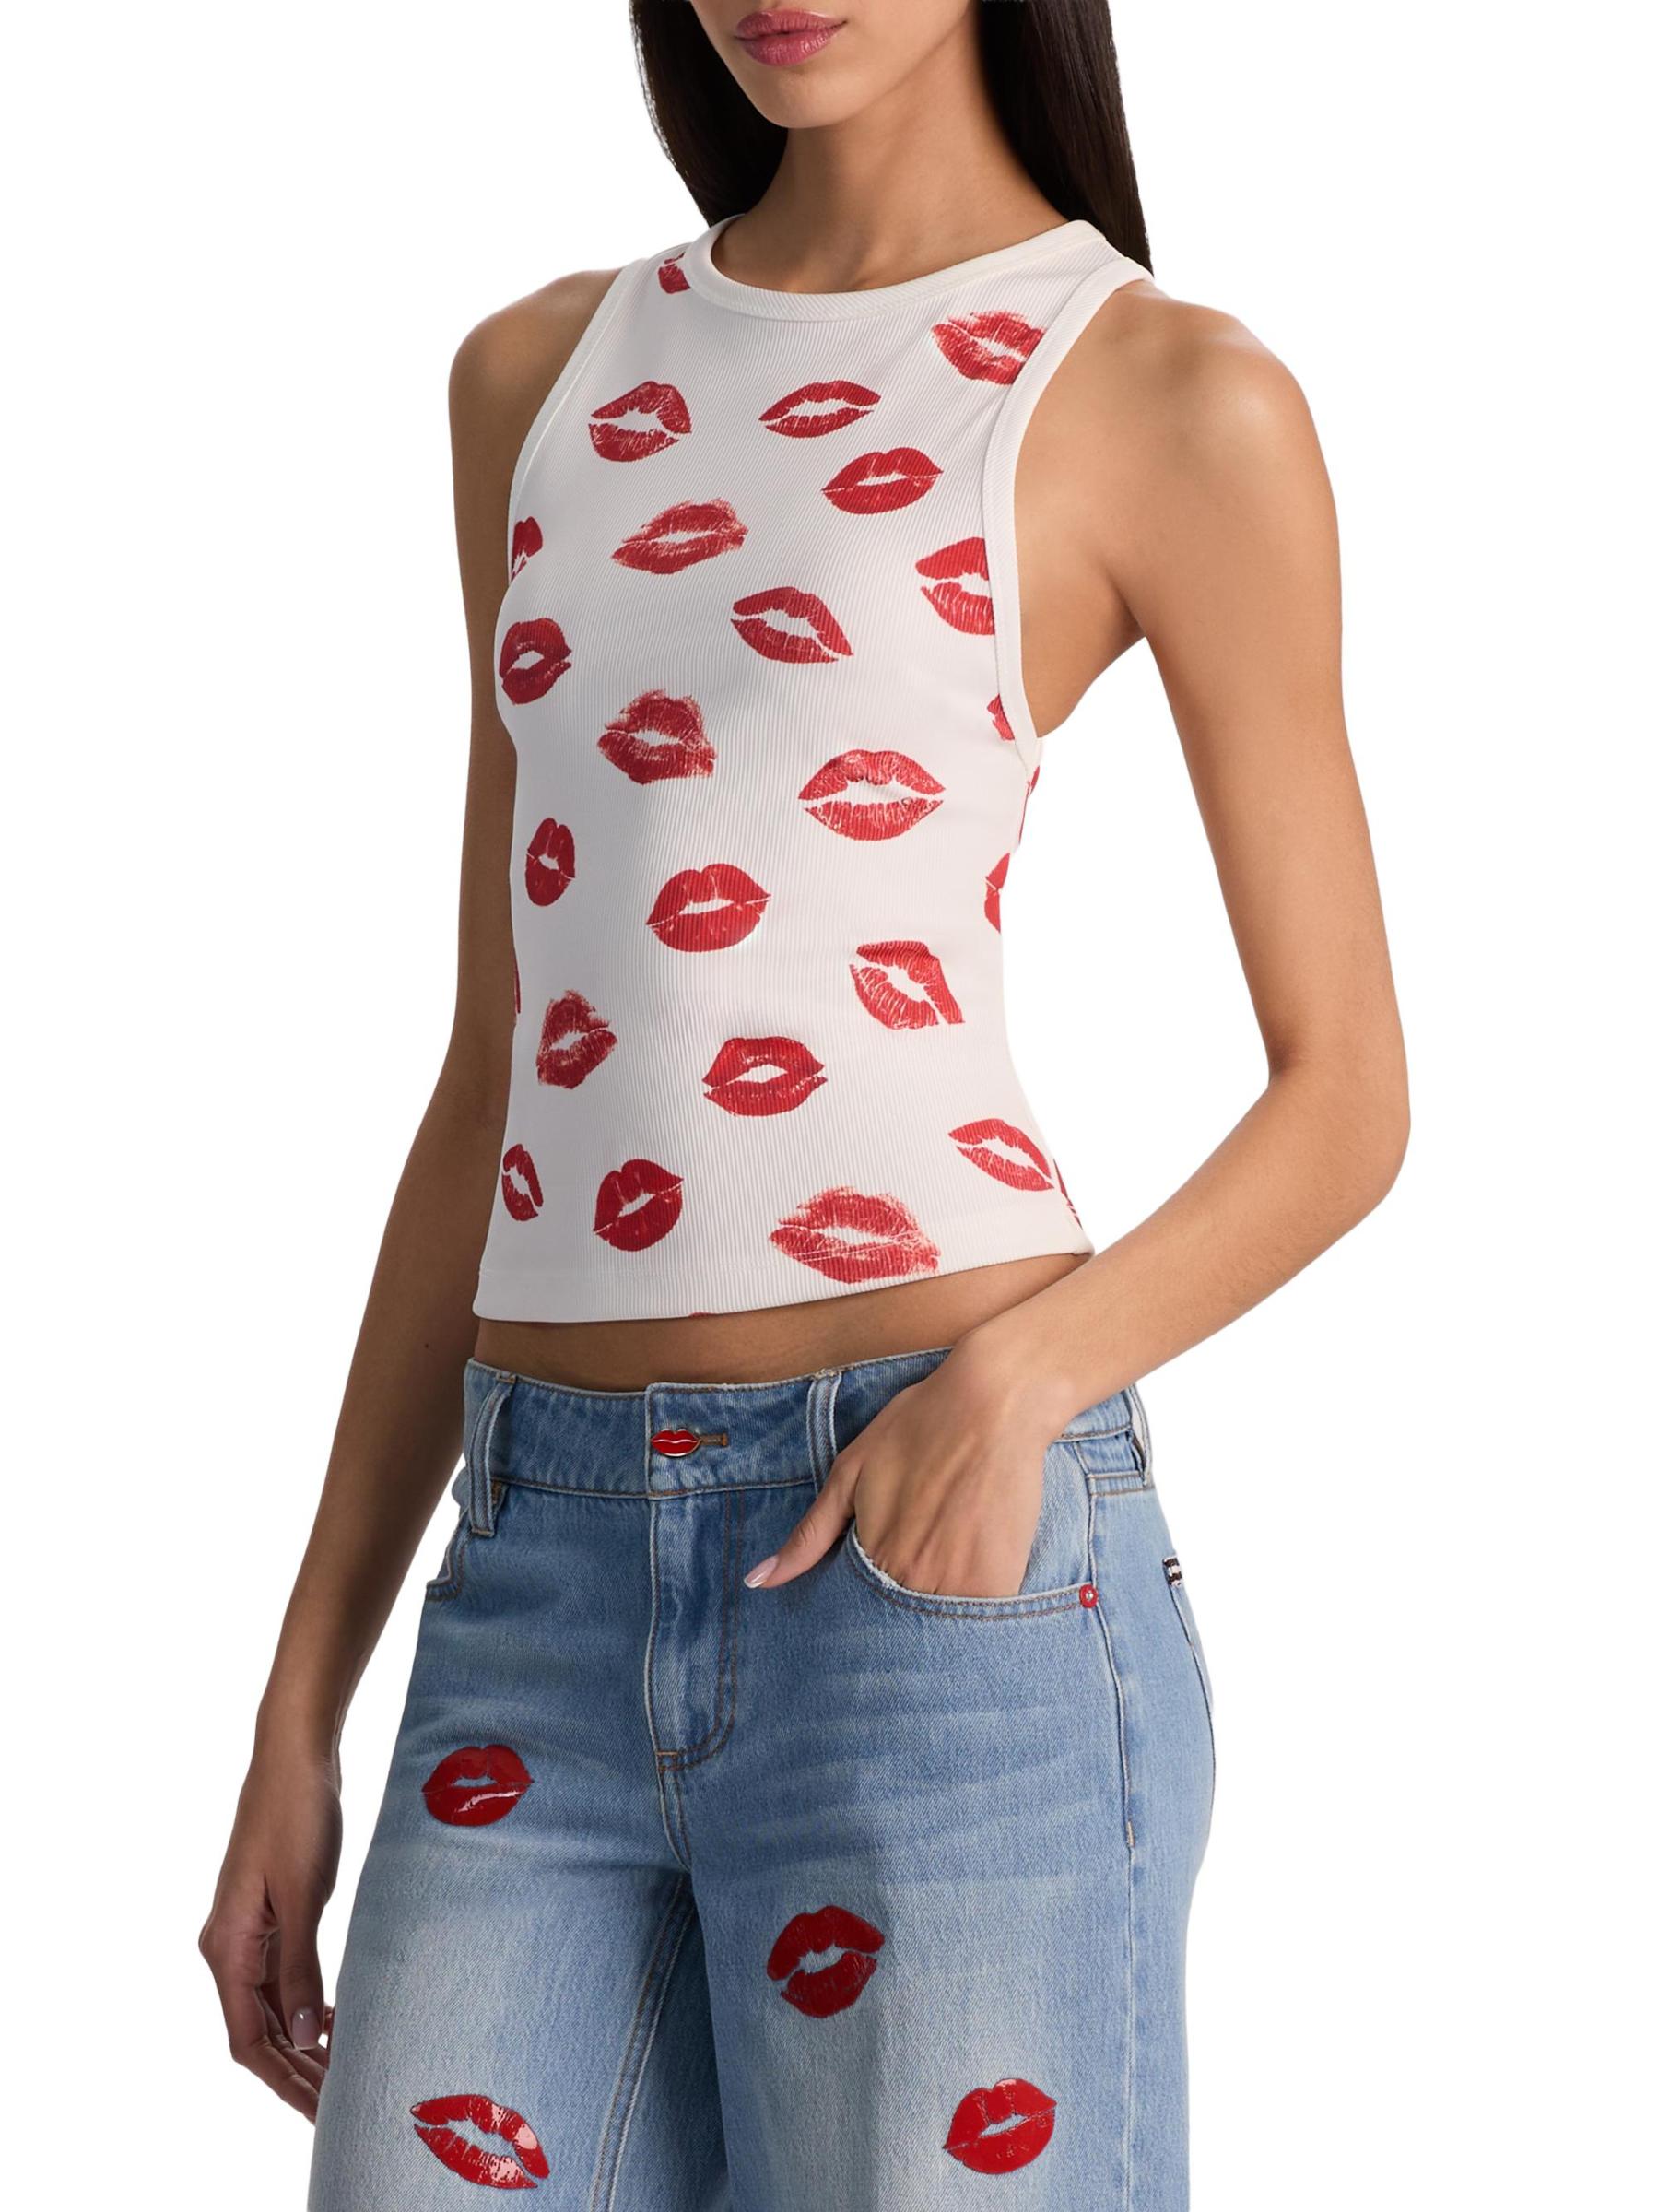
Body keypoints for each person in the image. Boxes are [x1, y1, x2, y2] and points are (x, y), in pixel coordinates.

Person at [200, 5, 1408, 2205]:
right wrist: (304, 1695)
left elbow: (1348, 1100)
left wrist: (1018, 1385)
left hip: (933, 1574)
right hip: (537, 1574)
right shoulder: (536, 379)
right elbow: (504, 1063)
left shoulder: (1160, 391)